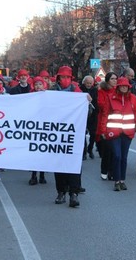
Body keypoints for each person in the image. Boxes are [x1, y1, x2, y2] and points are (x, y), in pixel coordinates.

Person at [99, 77, 136, 191]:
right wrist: (103, 130)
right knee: (117, 155)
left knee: (124, 157)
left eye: (126, 86)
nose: (124, 87)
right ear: (118, 87)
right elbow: (104, 115)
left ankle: (122, 180)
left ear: (129, 87)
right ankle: (116, 180)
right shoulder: (111, 98)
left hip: (127, 133)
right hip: (113, 132)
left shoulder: (133, 98)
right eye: (122, 86)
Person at [50, 66, 84, 208]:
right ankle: (61, 192)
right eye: (62, 77)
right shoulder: (51, 93)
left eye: (67, 77)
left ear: (71, 79)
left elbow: (87, 113)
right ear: (58, 78)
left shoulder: (77, 92)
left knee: (73, 164)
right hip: (57, 134)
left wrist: (87, 101)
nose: (65, 80)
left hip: (74, 134)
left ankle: (73, 193)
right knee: (59, 165)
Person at [96, 72, 118, 180]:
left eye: (116, 78)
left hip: (116, 122)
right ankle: (104, 170)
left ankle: (112, 171)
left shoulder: (117, 91)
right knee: (107, 149)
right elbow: (100, 104)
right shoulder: (101, 91)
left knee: (115, 150)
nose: (115, 80)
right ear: (108, 80)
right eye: (113, 79)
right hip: (105, 122)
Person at [28, 76, 48, 185]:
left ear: (43, 85)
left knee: (43, 151)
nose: (38, 86)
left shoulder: (49, 96)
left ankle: (42, 175)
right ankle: (33, 175)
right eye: (36, 84)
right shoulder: (30, 96)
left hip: (44, 127)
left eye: (40, 84)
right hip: (34, 126)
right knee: (34, 152)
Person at [80, 75, 98, 159]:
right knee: (82, 134)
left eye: (91, 83)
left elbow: (97, 102)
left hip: (93, 115)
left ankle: (90, 149)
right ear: (84, 82)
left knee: (93, 134)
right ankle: (84, 151)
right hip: (82, 115)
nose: (89, 84)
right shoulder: (80, 89)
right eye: (87, 83)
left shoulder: (95, 90)